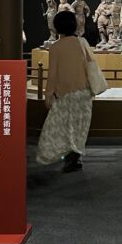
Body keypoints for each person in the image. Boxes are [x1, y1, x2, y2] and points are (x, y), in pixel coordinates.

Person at [36, 10, 94, 173]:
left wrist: (48, 95)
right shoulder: (82, 42)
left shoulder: (55, 47)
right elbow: (91, 66)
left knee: (65, 126)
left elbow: (52, 74)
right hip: (83, 92)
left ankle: (70, 158)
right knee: (79, 126)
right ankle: (75, 157)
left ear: (56, 27)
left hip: (65, 93)